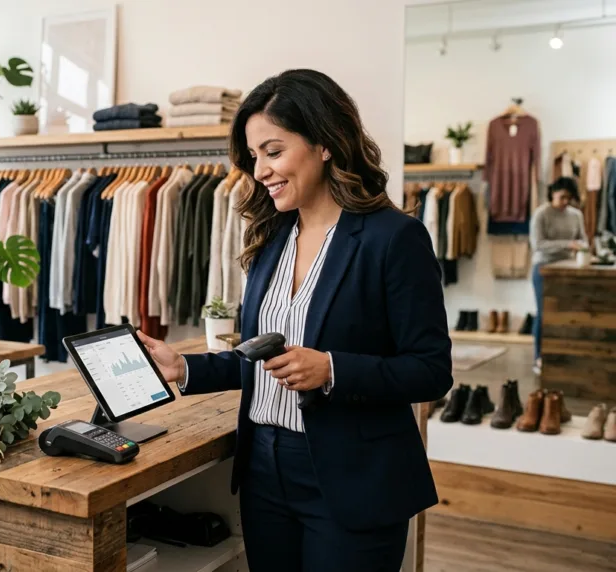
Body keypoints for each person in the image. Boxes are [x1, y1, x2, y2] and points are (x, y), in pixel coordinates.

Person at [137, 69, 453, 571]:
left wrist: (332, 368)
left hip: (352, 479)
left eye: (273, 150)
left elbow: (432, 370)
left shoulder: (394, 238)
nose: (259, 170)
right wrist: (186, 368)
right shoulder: (271, 241)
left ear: (325, 143)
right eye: (254, 156)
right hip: (264, 469)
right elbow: (264, 359)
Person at [530, 177, 587, 373]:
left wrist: (582, 249)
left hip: (568, 267)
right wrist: (567, 244)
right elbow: (537, 244)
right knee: (544, 313)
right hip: (543, 267)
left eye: (568, 198)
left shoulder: (576, 215)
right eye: (562, 197)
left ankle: (562, 355)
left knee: (567, 313)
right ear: (552, 193)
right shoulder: (541, 214)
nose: (565, 202)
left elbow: (583, 239)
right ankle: (539, 357)